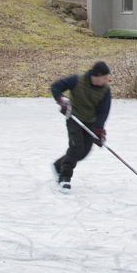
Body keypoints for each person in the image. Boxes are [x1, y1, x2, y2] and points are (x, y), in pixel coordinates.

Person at [49, 61, 112, 193]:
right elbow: (55, 87)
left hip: (91, 122)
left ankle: (58, 165)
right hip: (74, 118)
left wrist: (99, 129)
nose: (106, 81)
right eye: (104, 78)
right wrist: (61, 100)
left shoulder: (106, 90)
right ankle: (64, 178)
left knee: (83, 152)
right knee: (76, 148)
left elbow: (104, 111)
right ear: (96, 75)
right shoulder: (77, 80)